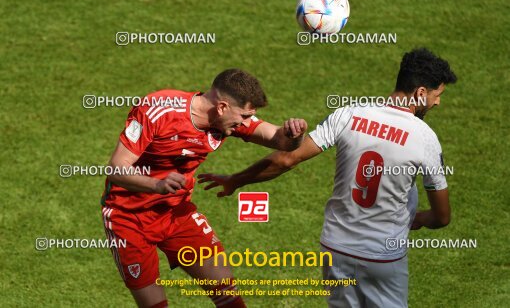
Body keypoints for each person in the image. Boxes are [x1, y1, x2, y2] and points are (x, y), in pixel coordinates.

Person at [198, 48, 457, 307]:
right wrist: (418, 218)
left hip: (335, 250)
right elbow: (441, 217)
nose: (437, 103)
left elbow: (287, 158)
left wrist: (236, 180)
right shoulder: (425, 138)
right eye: (437, 95)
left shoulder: (349, 114)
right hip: (383, 258)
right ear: (421, 92)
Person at [101, 69, 307, 308]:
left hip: (176, 213)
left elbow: (281, 141)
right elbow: (116, 168)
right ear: (221, 107)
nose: (245, 123)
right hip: (128, 218)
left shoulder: (227, 120)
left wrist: (295, 135)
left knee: (228, 295)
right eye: (244, 115)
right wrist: (156, 185)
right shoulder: (158, 110)